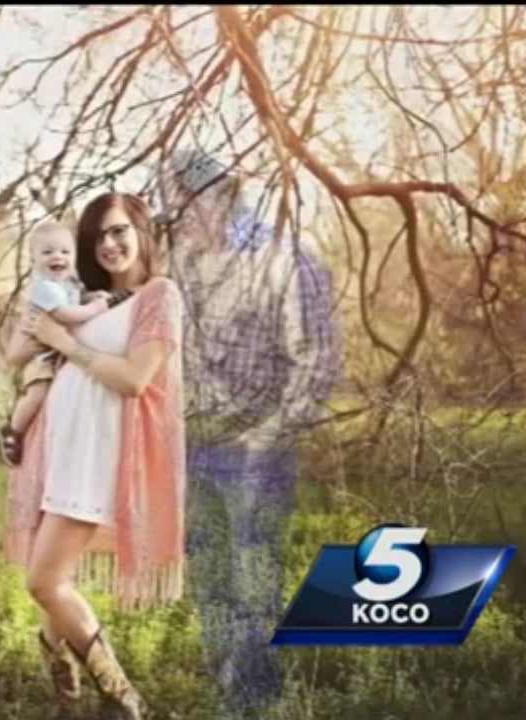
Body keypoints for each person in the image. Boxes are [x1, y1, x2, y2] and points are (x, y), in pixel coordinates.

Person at [155, 149, 342, 720]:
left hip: (254, 449)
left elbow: (317, 358)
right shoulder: (179, 262)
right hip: (190, 445)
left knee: (254, 578)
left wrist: (269, 436)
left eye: (183, 201)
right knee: (208, 577)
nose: (175, 214)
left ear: (219, 194)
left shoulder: (283, 259)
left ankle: (252, 703)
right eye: (169, 202)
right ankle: (227, 692)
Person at [2, 192, 186, 720]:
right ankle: (67, 701)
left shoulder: (158, 295)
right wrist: (37, 323)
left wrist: (64, 341)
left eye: (119, 230)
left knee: (44, 582)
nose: (108, 243)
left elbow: (133, 380)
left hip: (97, 457)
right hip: (58, 451)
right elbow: (16, 356)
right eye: (98, 235)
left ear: (142, 232)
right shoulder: (84, 296)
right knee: (53, 579)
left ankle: (124, 699)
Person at [0, 221, 135, 467]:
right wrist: (98, 306)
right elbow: (65, 314)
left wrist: (91, 297)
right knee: (37, 393)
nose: (57, 257)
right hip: (40, 358)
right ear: (33, 259)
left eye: (65, 252)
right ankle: (13, 431)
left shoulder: (66, 283)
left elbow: (75, 300)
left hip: (57, 357)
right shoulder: (43, 287)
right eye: (47, 252)